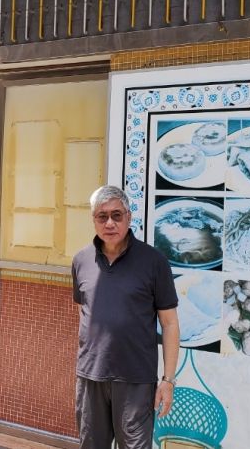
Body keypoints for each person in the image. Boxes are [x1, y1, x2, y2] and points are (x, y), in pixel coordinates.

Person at [72, 185, 180, 449]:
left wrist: (167, 380)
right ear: (94, 219)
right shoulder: (80, 261)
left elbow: (169, 323)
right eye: (102, 216)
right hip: (91, 377)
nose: (110, 223)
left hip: (135, 379)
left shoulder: (154, 261)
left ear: (129, 218)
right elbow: (84, 313)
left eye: (117, 215)